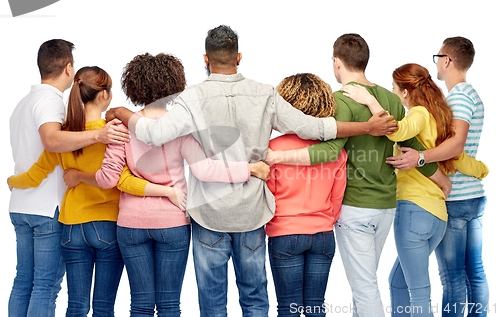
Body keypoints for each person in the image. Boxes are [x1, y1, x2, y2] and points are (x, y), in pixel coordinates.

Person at [105, 26, 397, 317]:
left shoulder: (191, 98)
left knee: (212, 302)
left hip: (209, 217)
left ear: (205, 59)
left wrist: (121, 112)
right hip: (252, 216)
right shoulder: (264, 94)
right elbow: (315, 128)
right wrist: (367, 128)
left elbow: (154, 134)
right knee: (255, 299)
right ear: (239, 57)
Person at [63, 53, 271, 317]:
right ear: (174, 85)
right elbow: (205, 170)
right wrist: (249, 169)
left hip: (131, 225)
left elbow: (109, 179)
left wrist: (80, 176)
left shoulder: (121, 125)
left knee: (140, 305)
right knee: (170, 306)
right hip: (172, 223)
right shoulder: (180, 126)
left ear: (133, 85)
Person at [266, 34, 448, 317]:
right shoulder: (391, 99)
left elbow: (328, 151)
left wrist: (278, 156)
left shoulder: (339, 101)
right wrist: (441, 179)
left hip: (355, 208)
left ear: (337, 63)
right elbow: (412, 145)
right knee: (365, 284)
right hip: (386, 206)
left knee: (364, 287)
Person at [342, 63, 488, 317]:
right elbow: (459, 157)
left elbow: (397, 132)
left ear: (406, 92)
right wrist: (482, 170)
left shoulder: (419, 113)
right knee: (397, 281)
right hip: (438, 217)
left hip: (414, 212)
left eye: (394, 89)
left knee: (419, 292)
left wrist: (369, 101)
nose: (393, 93)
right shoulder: (440, 117)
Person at [7, 39, 128, 317]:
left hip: (54, 218)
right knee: (51, 289)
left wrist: (13, 182)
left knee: (27, 283)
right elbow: (53, 142)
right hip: (60, 214)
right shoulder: (99, 129)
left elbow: (39, 168)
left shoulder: (23, 106)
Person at [386, 37, 489, 316]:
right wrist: (479, 169)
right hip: (472, 195)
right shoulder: (472, 96)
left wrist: (420, 158)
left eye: (438, 57)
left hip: (453, 197)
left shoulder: (456, 98)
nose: (436, 64)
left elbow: (453, 148)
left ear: (447, 60)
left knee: (453, 276)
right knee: (474, 271)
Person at [266, 73, 347, 317]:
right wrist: (323, 221)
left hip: (285, 233)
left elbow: (267, 195)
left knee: (288, 309)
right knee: (315, 307)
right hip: (322, 235)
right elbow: (336, 197)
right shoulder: (334, 151)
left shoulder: (273, 149)